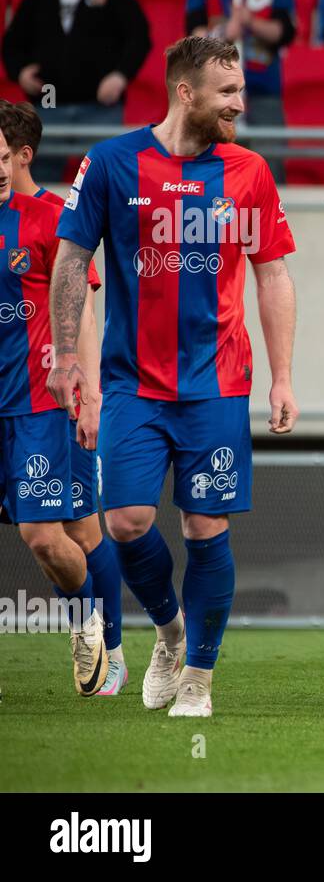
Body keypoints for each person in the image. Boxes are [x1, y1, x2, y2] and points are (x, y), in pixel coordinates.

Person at [48, 35, 300, 718]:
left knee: (204, 525)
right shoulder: (111, 162)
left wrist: (282, 376)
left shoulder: (248, 171)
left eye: (242, 90)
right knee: (127, 520)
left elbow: (271, 271)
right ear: (184, 92)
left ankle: (198, 677)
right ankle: (169, 631)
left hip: (218, 382)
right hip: (132, 382)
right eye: (228, 93)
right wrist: (68, 356)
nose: (241, 104)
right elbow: (72, 260)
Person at [0, 126, 120, 696]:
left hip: (39, 406)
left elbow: (87, 312)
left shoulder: (50, 217)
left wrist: (89, 393)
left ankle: (88, 624)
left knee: (50, 536)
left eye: (3, 157)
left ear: (20, 155)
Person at [2, 0, 150, 185]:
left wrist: (120, 76)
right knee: (38, 184)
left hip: (100, 109)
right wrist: (21, 72)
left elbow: (139, 39)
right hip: (47, 106)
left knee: (102, 184)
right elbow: (11, 45)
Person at [185, 0, 297, 185]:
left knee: (268, 171)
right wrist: (226, 31)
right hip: (215, 96)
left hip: (263, 94)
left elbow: (284, 32)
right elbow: (193, 38)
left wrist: (250, 22)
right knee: (216, 176)